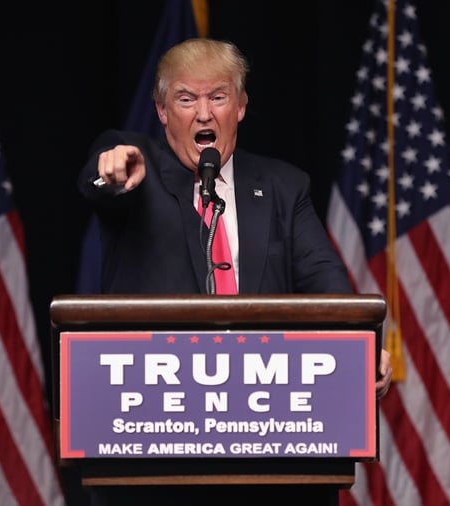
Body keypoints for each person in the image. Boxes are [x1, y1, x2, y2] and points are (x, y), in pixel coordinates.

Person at [77, 38, 391, 505]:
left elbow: (327, 284)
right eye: (186, 99)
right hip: (157, 450)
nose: (203, 114)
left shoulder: (284, 187)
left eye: (218, 97)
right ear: (163, 112)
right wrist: (113, 172)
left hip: (265, 446)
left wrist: (366, 347)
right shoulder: (138, 169)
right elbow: (100, 180)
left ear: (240, 107)